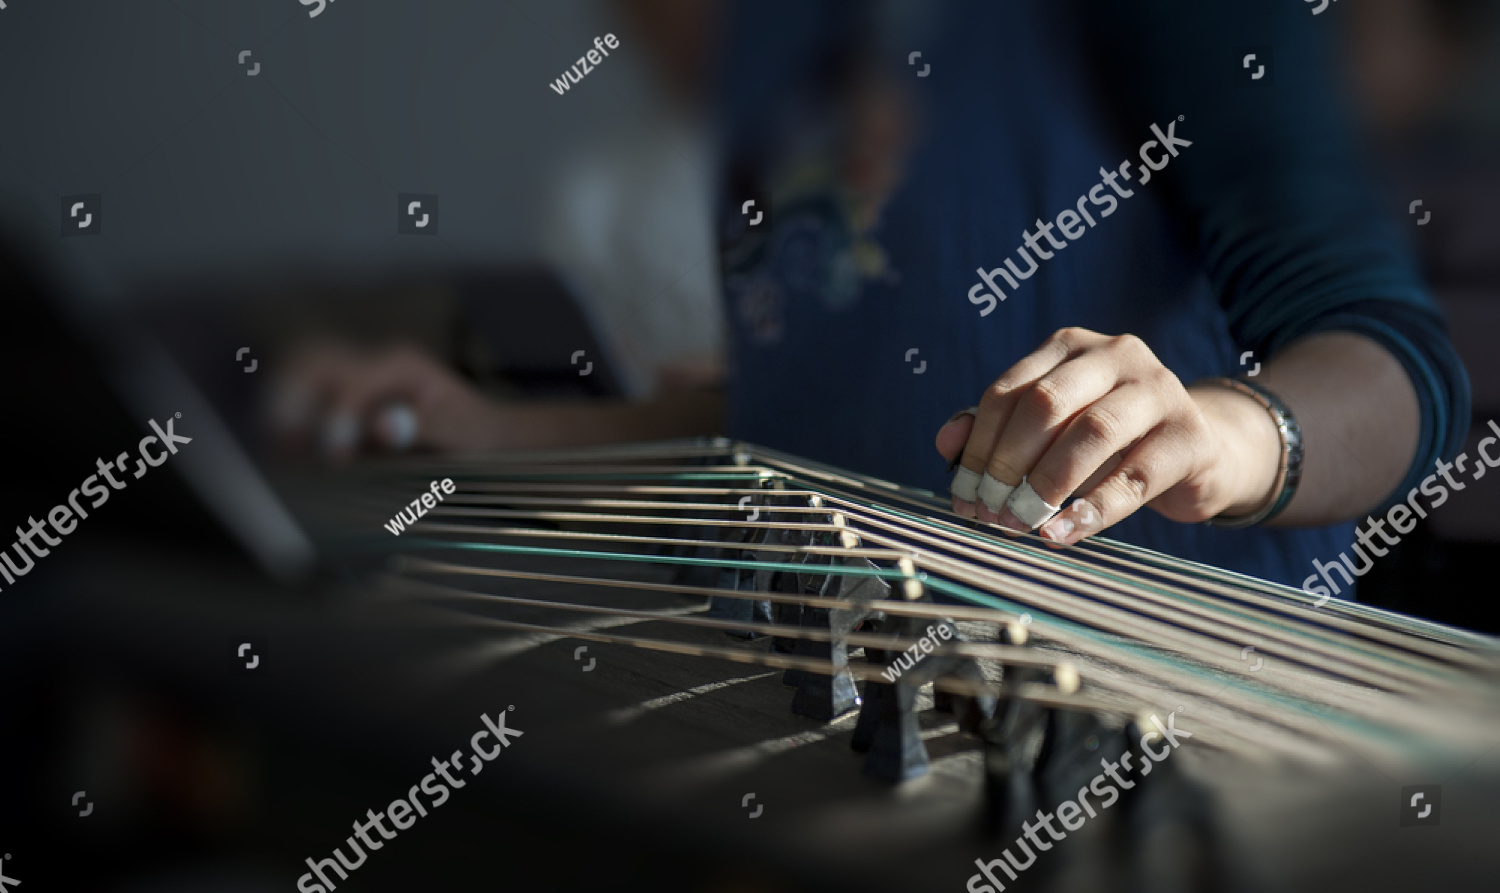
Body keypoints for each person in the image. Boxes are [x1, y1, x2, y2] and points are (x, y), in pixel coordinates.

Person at [277, 0, 1471, 592]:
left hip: (1167, 733)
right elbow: (818, 411)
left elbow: (1393, 365)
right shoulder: (781, 55)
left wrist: (1225, 434)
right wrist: (498, 431)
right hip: (863, 715)